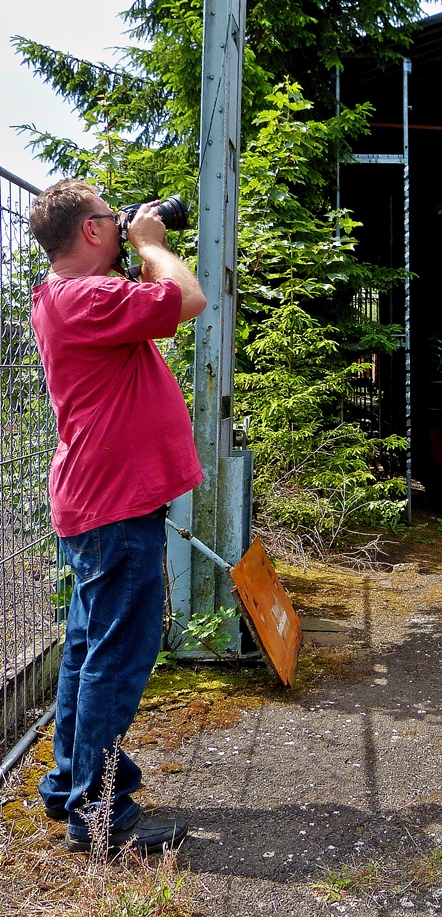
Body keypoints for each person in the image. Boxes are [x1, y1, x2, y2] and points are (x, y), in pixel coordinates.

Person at [28, 179, 207, 853]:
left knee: (85, 656)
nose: (126, 221)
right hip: (116, 507)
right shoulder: (87, 297)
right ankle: (100, 817)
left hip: (97, 502)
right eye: (114, 216)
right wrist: (152, 243)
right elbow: (189, 298)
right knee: (115, 661)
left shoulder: (67, 296)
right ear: (94, 231)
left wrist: (134, 247)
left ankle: (70, 786)